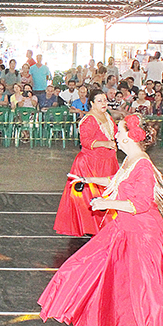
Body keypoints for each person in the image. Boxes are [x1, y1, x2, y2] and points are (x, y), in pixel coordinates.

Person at [40, 114, 163, 326]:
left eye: (119, 131)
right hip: (124, 230)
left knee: (148, 293)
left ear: (130, 136)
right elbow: (115, 181)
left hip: (143, 236)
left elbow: (142, 204)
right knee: (88, 268)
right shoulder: (131, 161)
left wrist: (105, 203)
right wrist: (89, 180)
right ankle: (103, 323)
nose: (115, 135)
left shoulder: (143, 165)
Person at [54, 89, 119, 237]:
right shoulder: (89, 119)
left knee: (107, 195)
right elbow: (85, 141)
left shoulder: (107, 117)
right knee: (89, 199)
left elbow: (115, 133)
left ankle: (105, 227)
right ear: (92, 103)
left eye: (105, 100)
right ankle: (91, 228)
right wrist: (105, 143)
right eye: (99, 101)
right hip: (91, 165)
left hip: (108, 163)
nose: (104, 103)